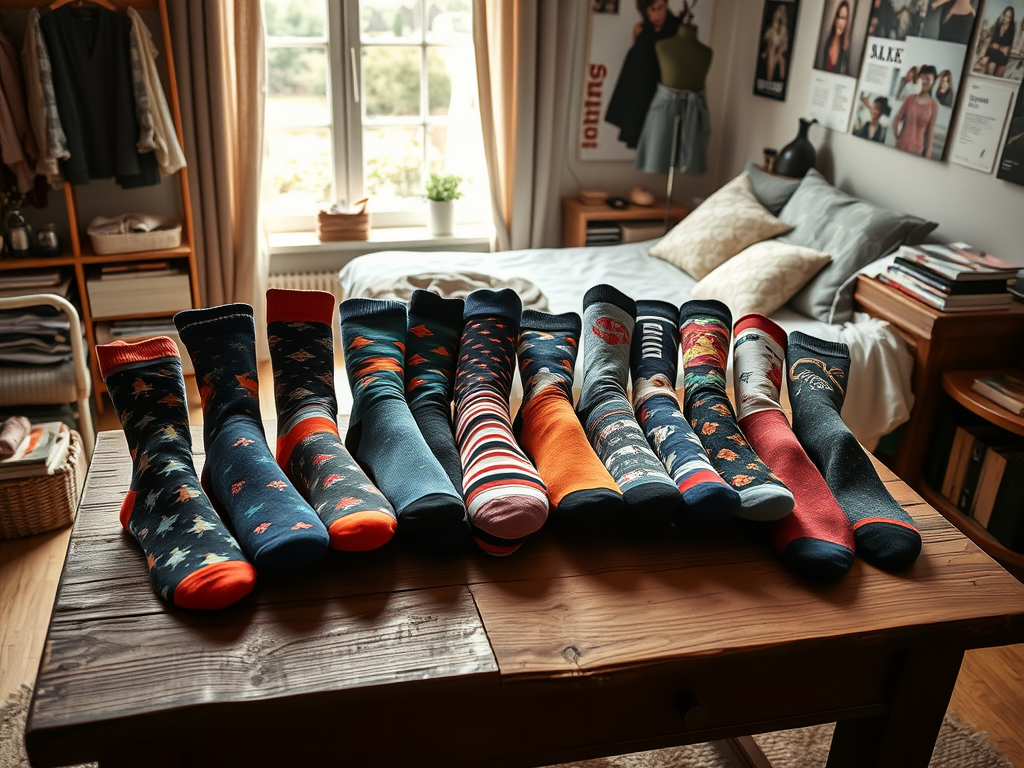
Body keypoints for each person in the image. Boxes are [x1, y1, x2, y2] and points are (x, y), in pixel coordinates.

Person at [605, 0, 683, 149]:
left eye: (661, 8)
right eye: (652, 9)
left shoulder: (676, 29)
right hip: (641, 90)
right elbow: (635, 65)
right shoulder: (641, 29)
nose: (657, 14)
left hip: (664, 89)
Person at [894, 64, 939, 158]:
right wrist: (897, 137)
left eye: (928, 78)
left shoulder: (934, 105)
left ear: (933, 81)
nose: (925, 81)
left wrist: (928, 153)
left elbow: (930, 132)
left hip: (917, 151)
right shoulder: (910, 99)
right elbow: (897, 118)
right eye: (923, 78)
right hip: (901, 146)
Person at [977, 6, 1016, 77]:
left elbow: (1008, 48)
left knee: (996, 67)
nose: (1006, 19)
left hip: (1001, 55)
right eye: (1005, 16)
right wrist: (991, 47)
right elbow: (990, 41)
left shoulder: (1012, 29)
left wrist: (1000, 48)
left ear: (1011, 19)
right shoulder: (997, 25)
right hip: (992, 51)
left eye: (1009, 17)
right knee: (988, 63)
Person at [818, 1, 851, 74]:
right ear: (835, 18)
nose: (841, 22)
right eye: (840, 17)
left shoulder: (846, 45)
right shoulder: (828, 40)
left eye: (844, 18)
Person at [762, 4, 790, 82]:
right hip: (772, 49)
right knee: (771, 51)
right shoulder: (772, 29)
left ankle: (770, 80)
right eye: (776, 17)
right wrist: (766, 52)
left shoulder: (784, 29)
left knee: (781, 60)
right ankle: (769, 79)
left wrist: (779, 52)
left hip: (780, 50)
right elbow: (768, 41)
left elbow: (784, 46)